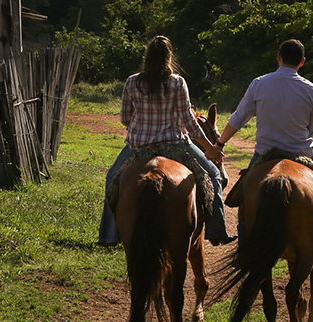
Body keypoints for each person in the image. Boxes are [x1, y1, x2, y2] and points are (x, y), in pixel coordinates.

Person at [207, 39, 313, 260]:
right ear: (302, 62)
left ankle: (245, 246)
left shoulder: (259, 83)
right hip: (304, 151)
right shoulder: (311, 89)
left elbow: (238, 118)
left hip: (265, 152)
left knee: (246, 193)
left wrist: (219, 144)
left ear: (278, 57)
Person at [97, 36, 233, 247]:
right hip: (176, 145)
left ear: (147, 57)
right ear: (169, 57)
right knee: (213, 175)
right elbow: (189, 122)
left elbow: (125, 118)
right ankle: (216, 230)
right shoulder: (178, 82)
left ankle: (108, 235)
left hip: (138, 146)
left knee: (112, 178)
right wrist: (210, 149)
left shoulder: (132, 81)